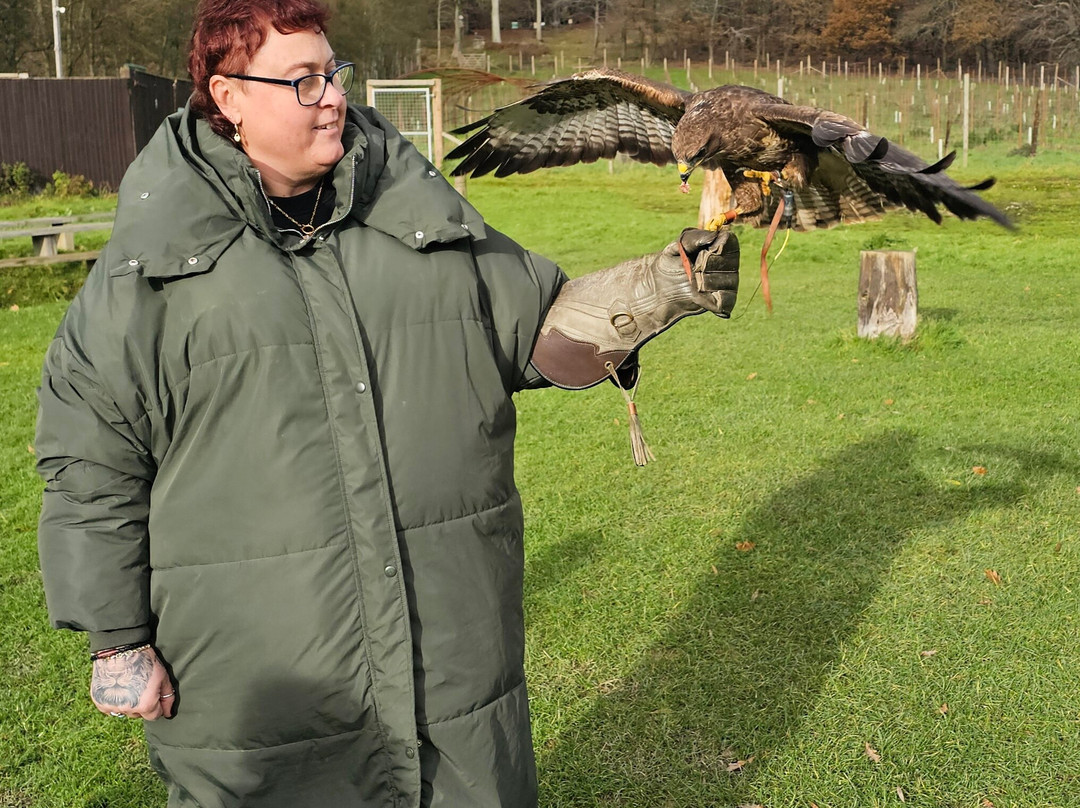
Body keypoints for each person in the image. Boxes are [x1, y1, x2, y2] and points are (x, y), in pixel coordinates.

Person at [34, 0, 738, 805]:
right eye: (301, 81)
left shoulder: (413, 211)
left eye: (332, 74)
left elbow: (533, 322)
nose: (332, 96)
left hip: (452, 671)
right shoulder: (150, 271)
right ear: (229, 99)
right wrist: (118, 640)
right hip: (259, 688)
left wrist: (662, 286)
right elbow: (91, 458)